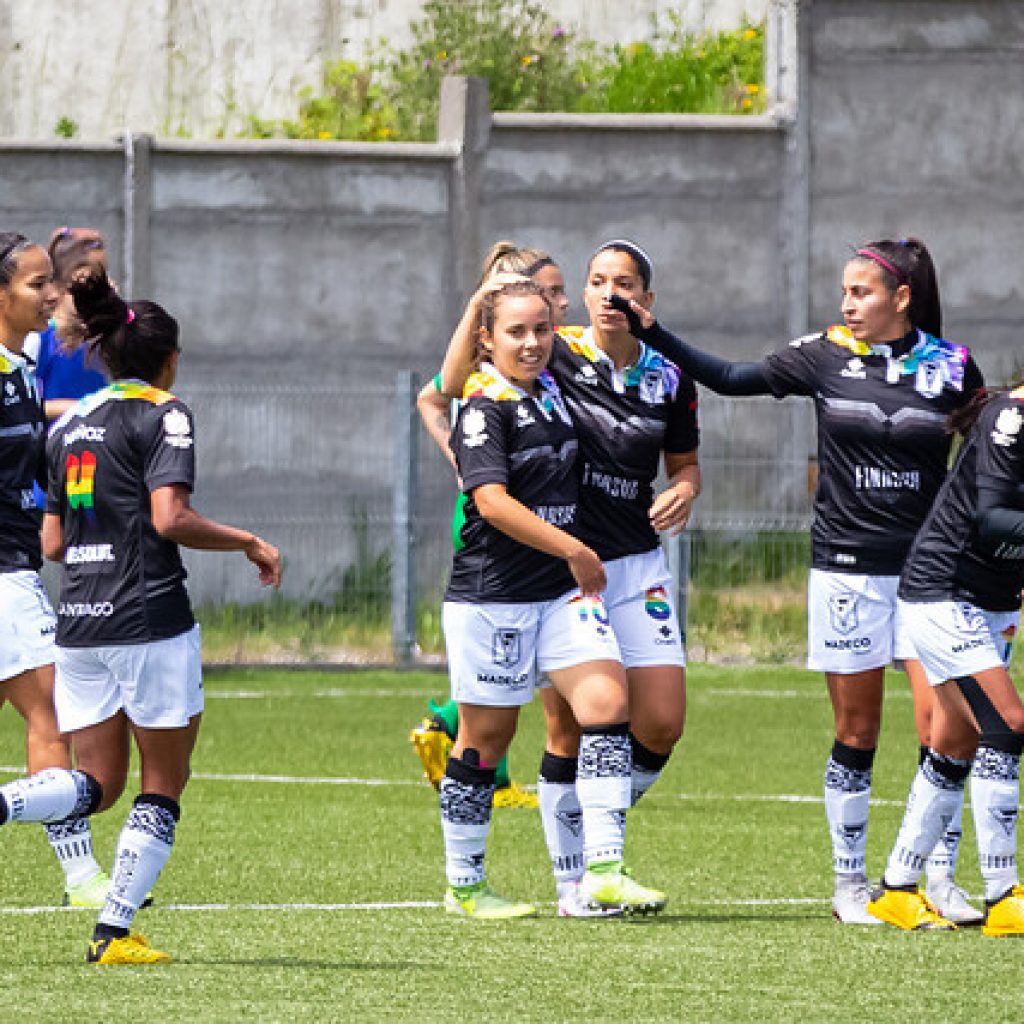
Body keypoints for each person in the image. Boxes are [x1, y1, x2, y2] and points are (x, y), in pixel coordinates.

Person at [606, 237, 985, 924]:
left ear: (902, 298)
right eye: (844, 289)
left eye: (862, 291)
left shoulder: (952, 367)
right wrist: (652, 332)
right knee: (858, 731)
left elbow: (992, 452)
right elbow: (730, 377)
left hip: (931, 575)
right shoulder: (824, 353)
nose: (848, 302)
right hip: (845, 570)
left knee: (946, 729)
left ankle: (935, 878)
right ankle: (849, 887)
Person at [0, 272, 281, 964]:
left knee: (97, 784)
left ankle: (4, 805)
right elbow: (170, 517)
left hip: (80, 621)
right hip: (149, 615)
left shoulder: (68, 424)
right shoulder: (166, 412)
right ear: (169, 358)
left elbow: (55, 543)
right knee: (162, 782)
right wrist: (247, 540)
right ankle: (113, 932)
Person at [440, 240, 700, 917]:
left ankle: (602, 870)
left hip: (566, 587)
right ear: (489, 340)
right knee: (485, 740)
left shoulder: (557, 385)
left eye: (539, 330)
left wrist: (686, 486)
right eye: (516, 332)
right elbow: (489, 498)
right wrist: (477, 304)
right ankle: (464, 882)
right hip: (497, 591)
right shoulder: (485, 399)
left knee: (608, 707)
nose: (532, 342)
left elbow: (678, 457)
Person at [410, 242, 569, 810]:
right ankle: (466, 747)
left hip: (547, 540)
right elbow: (434, 395)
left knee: (529, 674)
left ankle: (465, 740)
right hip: (496, 527)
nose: (561, 301)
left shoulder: (551, 360)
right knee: (515, 676)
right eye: (550, 290)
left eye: (555, 294)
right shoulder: (484, 374)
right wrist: (456, 452)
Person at [867, 384, 1024, 934]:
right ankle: (1004, 895)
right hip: (944, 593)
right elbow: (993, 517)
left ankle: (896, 888)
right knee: (1007, 725)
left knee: (955, 744)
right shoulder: (1014, 416)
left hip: (994, 603)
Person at [0, 231, 116, 909]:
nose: (52, 295)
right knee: (52, 713)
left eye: (52, 281)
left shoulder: (21, 365)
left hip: (14, 564)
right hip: (3, 575)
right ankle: (80, 877)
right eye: (37, 284)